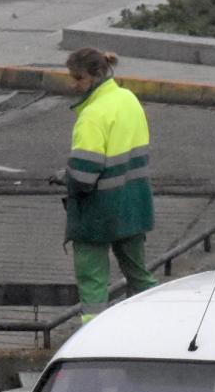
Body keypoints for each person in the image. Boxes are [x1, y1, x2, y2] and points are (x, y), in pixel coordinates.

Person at [55, 47, 157, 324]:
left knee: (93, 287)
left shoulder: (92, 116)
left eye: (78, 78)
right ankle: (157, 323)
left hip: (97, 214)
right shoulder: (128, 99)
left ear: (97, 74)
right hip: (134, 204)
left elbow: (85, 175)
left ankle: (93, 337)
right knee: (140, 276)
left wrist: (67, 177)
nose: (73, 85)